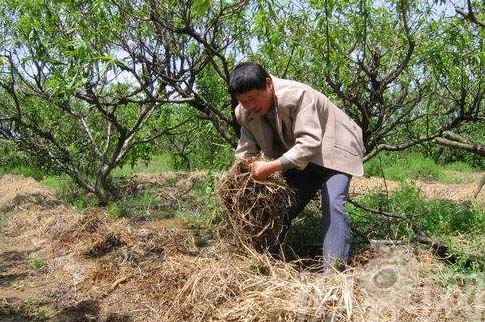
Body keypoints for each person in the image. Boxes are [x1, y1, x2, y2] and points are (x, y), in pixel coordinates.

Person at [229, 62, 365, 270]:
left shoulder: (297, 95)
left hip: (337, 147)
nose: (249, 106)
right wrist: (241, 171)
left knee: (333, 203)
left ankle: (334, 274)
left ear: (268, 84)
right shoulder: (245, 112)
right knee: (280, 204)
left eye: (252, 98)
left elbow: (309, 143)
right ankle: (264, 261)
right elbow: (246, 149)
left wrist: (271, 167)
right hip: (303, 156)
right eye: (243, 101)